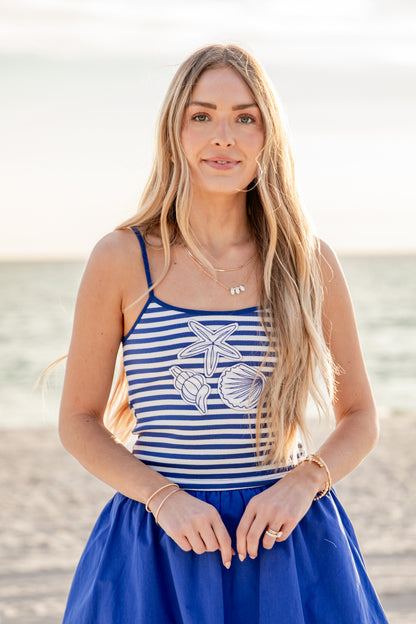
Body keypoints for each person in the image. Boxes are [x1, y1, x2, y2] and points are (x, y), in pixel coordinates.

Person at [60, 44, 388, 623]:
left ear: (268, 135)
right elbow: (79, 422)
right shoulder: (122, 258)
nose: (223, 136)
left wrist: (304, 483)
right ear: (175, 132)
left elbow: (359, 415)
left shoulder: (307, 262)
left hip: (287, 541)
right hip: (161, 542)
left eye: (245, 117)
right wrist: (164, 499)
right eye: (202, 115)